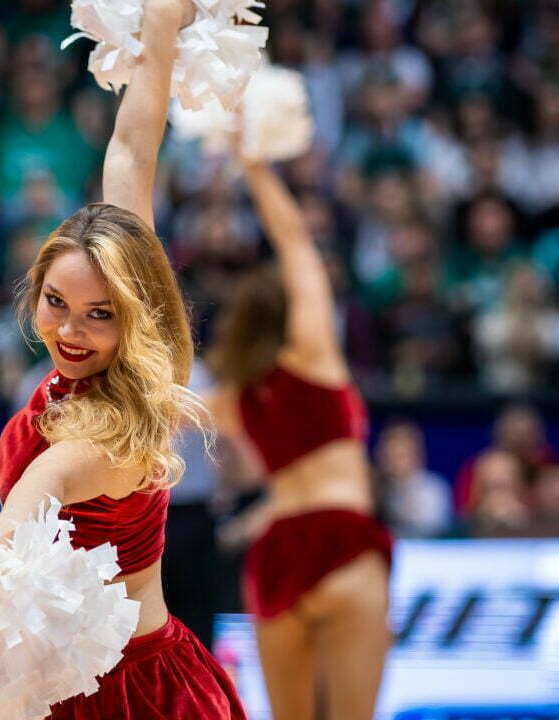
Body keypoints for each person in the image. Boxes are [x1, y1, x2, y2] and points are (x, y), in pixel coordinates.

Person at [0, 1, 246, 716]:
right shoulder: (136, 354)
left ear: (131, 313)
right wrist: (163, 26)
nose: (70, 331)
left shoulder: (109, 423)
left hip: (133, 696)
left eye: (101, 315)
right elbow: (132, 152)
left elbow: (28, 504)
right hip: (66, 685)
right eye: (55, 303)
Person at [206, 160, 392, 720]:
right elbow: (296, 243)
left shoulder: (231, 401)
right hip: (340, 538)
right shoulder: (314, 355)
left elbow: (151, 408)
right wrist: (256, 166)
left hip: (276, 552)